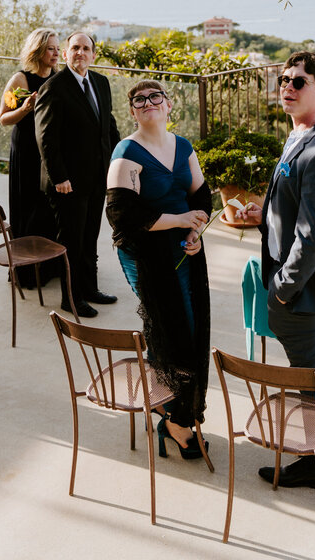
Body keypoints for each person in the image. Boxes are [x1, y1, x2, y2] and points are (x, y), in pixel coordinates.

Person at [240, 51, 315, 488]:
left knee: (311, 380)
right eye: (284, 78)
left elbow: (313, 238)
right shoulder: (302, 133)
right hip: (297, 285)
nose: (287, 85)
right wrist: (264, 214)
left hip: (300, 291)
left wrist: (282, 290)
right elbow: (297, 210)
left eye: (298, 81)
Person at [105, 80, 213, 459]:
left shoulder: (182, 147)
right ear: (132, 111)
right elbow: (122, 216)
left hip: (184, 249)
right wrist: (179, 219)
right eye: (140, 99)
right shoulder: (127, 152)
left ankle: (174, 410)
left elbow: (201, 197)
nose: (148, 102)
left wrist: (195, 229)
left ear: (169, 106)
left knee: (193, 327)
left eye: (156, 97)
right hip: (145, 253)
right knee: (171, 328)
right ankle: (174, 419)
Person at [34, 32, 120, 318]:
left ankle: (90, 288)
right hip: (67, 183)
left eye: (86, 48)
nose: (80, 52)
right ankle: (70, 299)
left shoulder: (101, 83)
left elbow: (108, 126)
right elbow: (46, 138)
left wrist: (118, 162)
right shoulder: (54, 87)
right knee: (72, 241)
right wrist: (59, 177)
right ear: (67, 53)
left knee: (90, 236)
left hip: (97, 177)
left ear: (93, 54)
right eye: (75, 48)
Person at [0, 28, 63, 284]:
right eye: (51, 48)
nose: (56, 53)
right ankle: (28, 272)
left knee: (49, 210)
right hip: (26, 152)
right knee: (29, 209)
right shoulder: (20, 80)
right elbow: (3, 118)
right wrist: (25, 108)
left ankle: (52, 266)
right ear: (38, 50)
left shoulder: (59, 79)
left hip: (48, 153)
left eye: (58, 48)